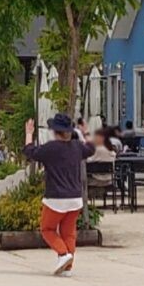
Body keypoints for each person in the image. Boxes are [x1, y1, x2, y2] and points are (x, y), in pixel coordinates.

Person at [22, 115, 96, 275]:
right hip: (75, 197)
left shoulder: (51, 148)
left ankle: (63, 254)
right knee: (68, 232)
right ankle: (67, 267)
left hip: (55, 198)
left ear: (55, 131)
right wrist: (87, 132)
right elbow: (91, 149)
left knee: (47, 229)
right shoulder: (77, 147)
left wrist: (29, 133)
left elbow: (29, 152)